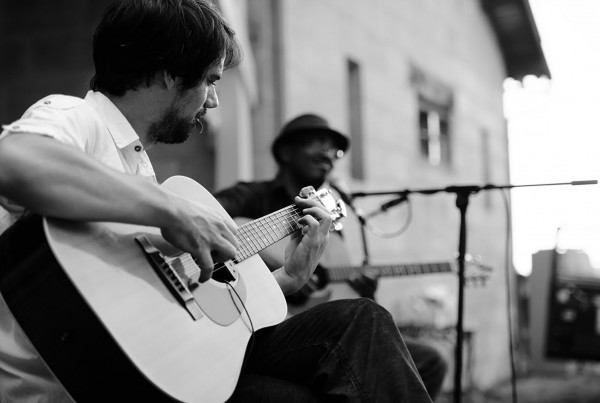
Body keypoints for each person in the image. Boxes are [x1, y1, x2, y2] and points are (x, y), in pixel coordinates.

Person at [0, 1, 432, 402]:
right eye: (209, 79)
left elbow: (179, 320)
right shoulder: (79, 119)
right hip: (75, 385)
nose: (214, 98)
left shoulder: (139, 169)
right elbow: (14, 162)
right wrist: (171, 210)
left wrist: (289, 279)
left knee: (358, 324)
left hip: (132, 370)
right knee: (355, 333)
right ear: (169, 71)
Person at [215, 113, 448, 401]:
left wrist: (362, 287)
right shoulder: (251, 196)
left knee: (429, 360)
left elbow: (332, 289)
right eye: (317, 144)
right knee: (363, 317)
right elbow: (203, 223)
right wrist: (277, 268)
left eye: (333, 150)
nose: (328, 154)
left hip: (303, 323)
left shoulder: (327, 219)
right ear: (287, 151)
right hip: (258, 327)